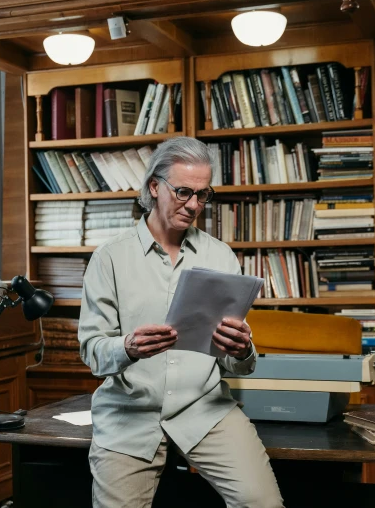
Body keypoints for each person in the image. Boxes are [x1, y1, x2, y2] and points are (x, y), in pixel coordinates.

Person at [78, 136, 284, 508]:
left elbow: (234, 361)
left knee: (264, 504)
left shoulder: (221, 257)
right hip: (129, 414)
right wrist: (126, 347)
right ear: (154, 187)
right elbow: (92, 351)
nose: (194, 205)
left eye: (203, 195)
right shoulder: (109, 258)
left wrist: (241, 350)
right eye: (184, 191)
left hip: (204, 409)